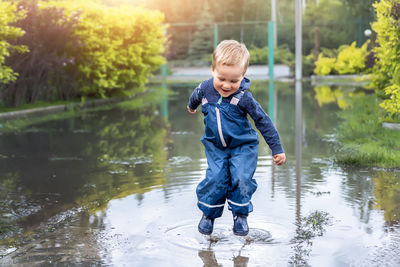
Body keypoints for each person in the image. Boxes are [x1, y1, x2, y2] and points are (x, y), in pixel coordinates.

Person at [187, 40, 286, 236]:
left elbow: (263, 122)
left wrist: (277, 149)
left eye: (234, 81)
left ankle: (240, 216)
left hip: (243, 146)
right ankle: (208, 215)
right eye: (222, 78)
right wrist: (191, 107)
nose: (226, 85)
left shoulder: (243, 98)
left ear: (243, 76)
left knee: (241, 178)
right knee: (216, 179)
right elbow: (195, 96)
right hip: (215, 146)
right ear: (213, 70)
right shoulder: (204, 89)